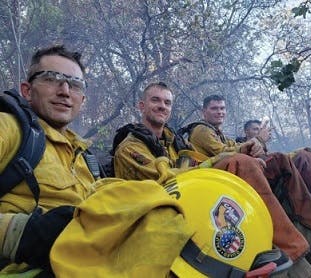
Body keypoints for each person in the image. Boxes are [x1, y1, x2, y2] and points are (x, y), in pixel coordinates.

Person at [0, 45, 192, 276]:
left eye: (75, 84)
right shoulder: (9, 128)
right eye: (51, 79)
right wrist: (22, 234)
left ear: (82, 98)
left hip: (93, 262)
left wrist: (216, 167)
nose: (64, 90)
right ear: (27, 90)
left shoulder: (84, 157)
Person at [113, 82, 311, 277]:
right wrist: (225, 158)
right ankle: (294, 256)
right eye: (155, 100)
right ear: (141, 106)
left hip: (185, 196)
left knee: (270, 160)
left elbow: (194, 163)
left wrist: (242, 149)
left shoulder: (172, 141)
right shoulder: (131, 147)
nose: (162, 106)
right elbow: (166, 179)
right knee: (240, 163)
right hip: (155, 209)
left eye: (167, 102)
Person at [179, 94, 311, 277]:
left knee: (281, 160)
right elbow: (226, 155)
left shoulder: (221, 134)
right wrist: (256, 141)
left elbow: (238, 148)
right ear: (203, 111)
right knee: (247, 163)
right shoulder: (200, 130)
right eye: (214, 108)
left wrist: (259, 147)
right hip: (217, 185)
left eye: (222, 108)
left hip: (232, 177)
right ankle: (295, 254)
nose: (219, 112)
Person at [241, 119, 311, 222]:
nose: (260, 132)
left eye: (261, 130)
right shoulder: (241, 145)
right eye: (256, 129)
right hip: (261, 178)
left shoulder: (261, 147)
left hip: (274, 172)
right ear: (246, 132)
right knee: (303, 156)